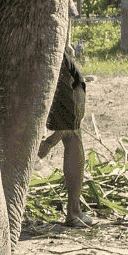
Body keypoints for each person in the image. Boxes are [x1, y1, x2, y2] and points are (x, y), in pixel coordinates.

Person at [36, 47, 91, 228]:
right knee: (74, 134)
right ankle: (74, 212)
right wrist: (49, 143)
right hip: (47, 44)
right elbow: (71, 124)